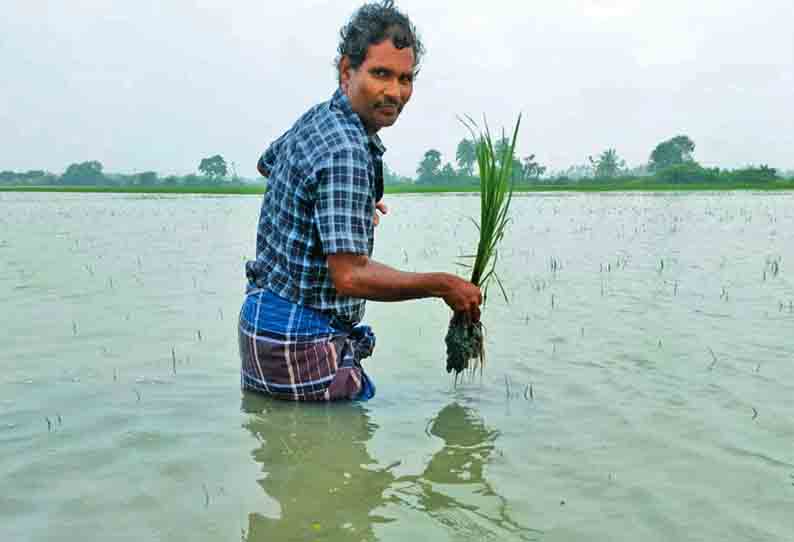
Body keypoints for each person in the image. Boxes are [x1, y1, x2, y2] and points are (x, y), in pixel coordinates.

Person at [238, 0, 481, 402]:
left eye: (405, 78)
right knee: (337, 462)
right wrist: (443, 284)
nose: (394, 92)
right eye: (380, 73)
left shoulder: (319, 117)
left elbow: (268, 165)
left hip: (262, 326)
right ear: (346, 71)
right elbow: (350, 276)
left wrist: (342, 207)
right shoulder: (347, 150)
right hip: (302, 343)